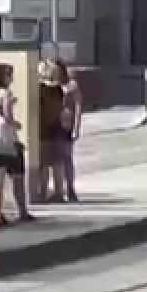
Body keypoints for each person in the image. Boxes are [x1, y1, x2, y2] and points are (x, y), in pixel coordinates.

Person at [0, 63, 34, 226]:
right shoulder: (5, 93)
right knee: (16, 177)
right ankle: (21, 211)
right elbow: (8, 116)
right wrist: (17, 124)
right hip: (6, 141)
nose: (11, 78)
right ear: (2, 77)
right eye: (9, 75)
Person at [38, 61, 70, 203]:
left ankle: (43, 193)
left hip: (43, 129)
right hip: (58, 128)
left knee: (44, 164)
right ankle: (58, 193)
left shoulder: (40, 89)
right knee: (57, 163)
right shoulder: (58, 90)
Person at [55, 59, 82, 202]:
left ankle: (70, 189)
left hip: (66, 124)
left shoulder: (71, 85)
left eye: (57, 69)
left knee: (66, 158)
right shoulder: (49, 85)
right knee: (54, 159)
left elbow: (78, 106)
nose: (55, 72)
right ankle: (58, 191)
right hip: (51, 125)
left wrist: (76, 127)